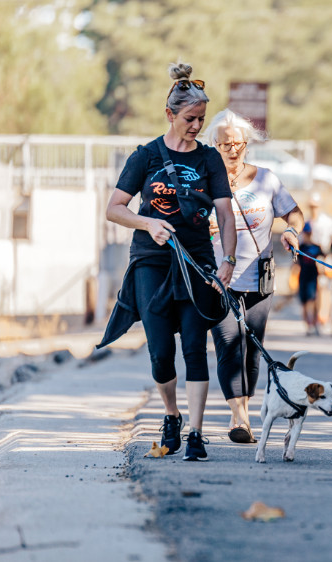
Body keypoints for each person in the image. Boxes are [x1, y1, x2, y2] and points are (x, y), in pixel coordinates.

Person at [99, 62, 236, 462]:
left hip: (197, 262)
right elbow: (114, 208)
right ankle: (172, 415)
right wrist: (148, 223)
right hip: (151, 262)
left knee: (194, 345)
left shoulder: (209, 160)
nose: (196, 126)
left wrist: (226, 260)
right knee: (160, 352)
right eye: (190, 119)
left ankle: (195, 432)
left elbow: (225, 216)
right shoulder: (145, 156)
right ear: (170, 115)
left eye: (201, 120)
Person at [202, 108, 304, 444]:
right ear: (213, 144)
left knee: (252, 347)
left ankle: (244, 407)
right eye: (224, 144)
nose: (232, 149)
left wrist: (291, 231)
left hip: (259, 278)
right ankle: (239, 416)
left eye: (238, 143)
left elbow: (294, 213)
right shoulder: (204, 180)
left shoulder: (266, 179)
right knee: (228, 345)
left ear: (248, 143)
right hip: (218, 279)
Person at [306, 193, 332, 330]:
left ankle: (324, 317)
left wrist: (328, 258)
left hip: (324, 257)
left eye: (316, 206)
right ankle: (313, 320)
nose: (314, 209)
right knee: (313, 290)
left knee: (326, 288)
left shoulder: (326, 221)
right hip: (311, 259)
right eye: (312, 206)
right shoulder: (307, 221)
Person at [293, 223, 324, 335]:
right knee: (304, 301)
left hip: (314, 277)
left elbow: (324, 259)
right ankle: (308, 324)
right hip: (303, 276)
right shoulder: (301, 247)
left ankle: (314, 323)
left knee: (313, 300)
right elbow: (295, 264)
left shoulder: (317, 247)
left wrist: (324, 272)